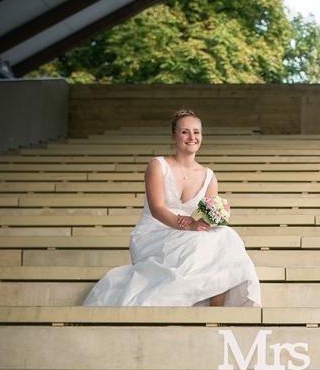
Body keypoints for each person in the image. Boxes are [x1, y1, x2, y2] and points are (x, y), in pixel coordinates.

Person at [83, 109, 261, 307]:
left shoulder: (209, 175)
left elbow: (207, 216)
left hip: (190, 231)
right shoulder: (157, 165)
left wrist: (218, 215)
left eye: (197, 132)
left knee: (226, 236)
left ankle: (216, 308)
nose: (192, 137)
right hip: (155, 230)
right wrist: (187, 226)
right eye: (185, 132)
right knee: (201, 243)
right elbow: (157, 208)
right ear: (174, 136)